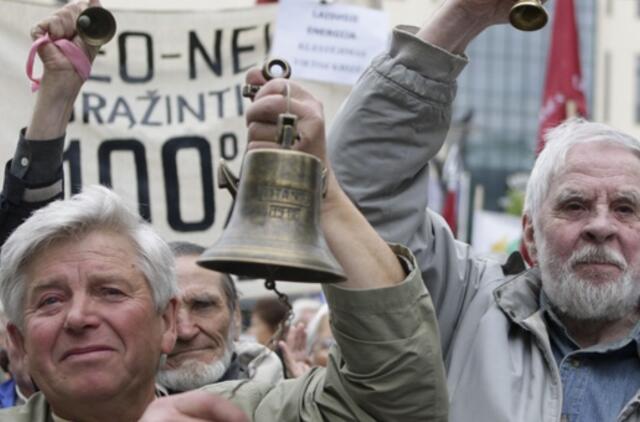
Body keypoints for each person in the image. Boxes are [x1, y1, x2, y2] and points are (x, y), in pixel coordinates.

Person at [0, 1, 449, 420]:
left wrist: (319, 187)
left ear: (167, 323)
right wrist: (55, 98)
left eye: (111, 292)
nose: (79, 317)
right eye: (50, 300)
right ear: (17, 343)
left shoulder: (248, 412)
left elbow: (400, 394)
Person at [328, 0, 640, 421]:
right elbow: (358, 195)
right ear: (530, 235)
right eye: (575, 205)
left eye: (625, 208)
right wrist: (465, 14)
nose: (600, 226)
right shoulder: (459, 306)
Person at [157, 242, 283, 391]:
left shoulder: (294, 405)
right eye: (165, 313)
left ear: (236, 316)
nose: (185, 331)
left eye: (203, 305)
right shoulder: (125, 410)